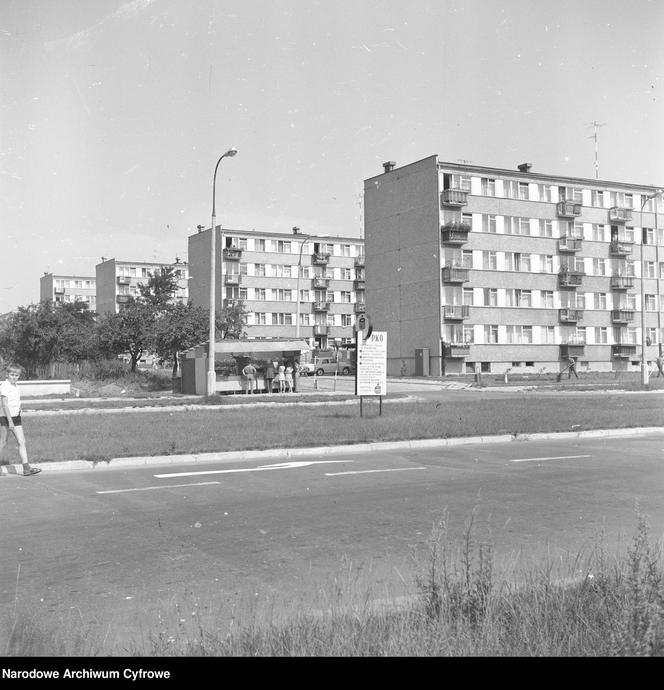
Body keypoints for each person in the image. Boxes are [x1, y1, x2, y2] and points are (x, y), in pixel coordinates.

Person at [0, 364, 41, 476]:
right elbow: (4, 404)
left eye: (17, 375)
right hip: (5, 417)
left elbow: (15, 402)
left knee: (21, 441)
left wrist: (19, 411)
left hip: (16, 417)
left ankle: (26, 468)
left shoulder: (16, 386)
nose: (14, 377)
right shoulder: (5, 386)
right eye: (12, 375)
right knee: (3, 442)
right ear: (7, 374)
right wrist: (10, 421)